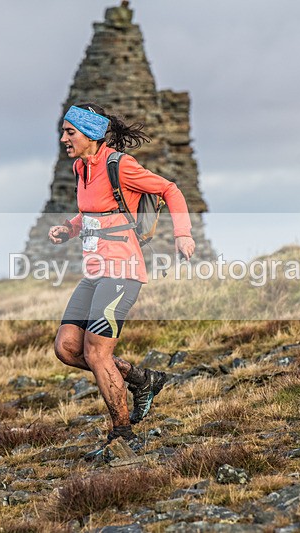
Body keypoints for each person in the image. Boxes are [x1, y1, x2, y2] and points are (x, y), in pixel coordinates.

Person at [48, 103, 196, 450]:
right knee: (67, 348)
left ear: (91, 134)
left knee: (97, 354)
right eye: (64, 131)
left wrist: (183, 234)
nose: (64, 138)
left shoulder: (121, 165)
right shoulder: (79, 168)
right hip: (95, 272)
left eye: (70, 132)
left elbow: (170, 189)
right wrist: (68, 230)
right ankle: (142, 379)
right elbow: (92, 215)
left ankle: (122, 436)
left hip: (123, 271)